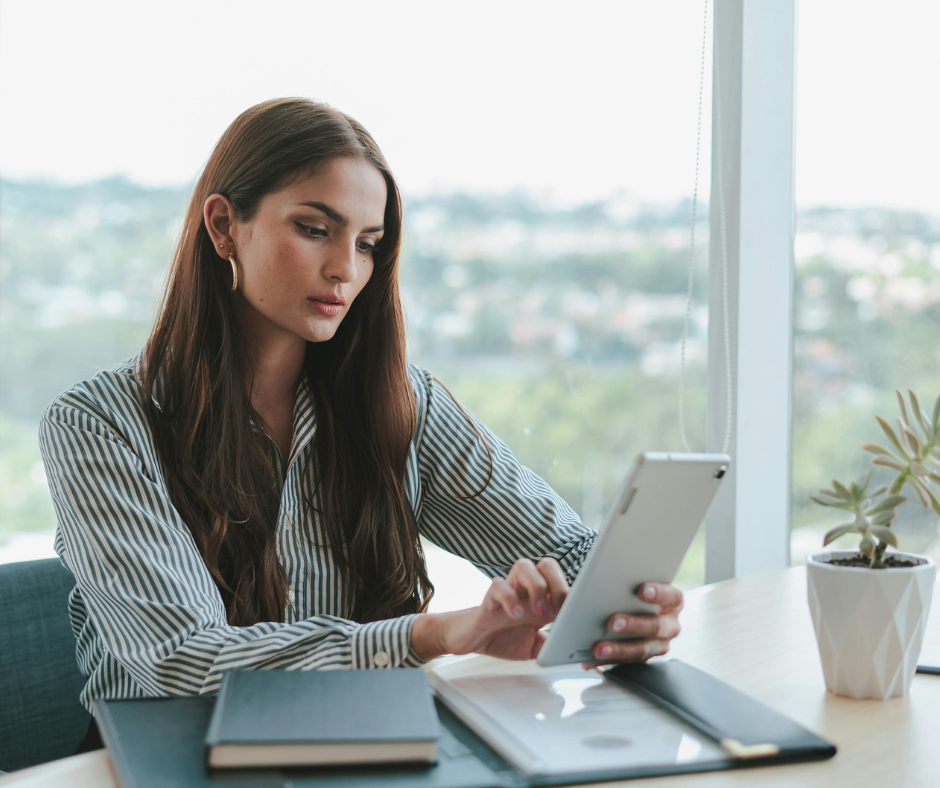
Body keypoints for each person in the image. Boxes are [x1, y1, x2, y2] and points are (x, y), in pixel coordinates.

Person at [38, 98, 684, 754]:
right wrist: (431, 635)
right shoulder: (98, 426)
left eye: (369, 244)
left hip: (366, 746)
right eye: (316, 228)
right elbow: (184, 661)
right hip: (176, 756)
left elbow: (571, 553)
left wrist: (624, 610)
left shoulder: (401, 404)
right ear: (225, 225)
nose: (347, 269)